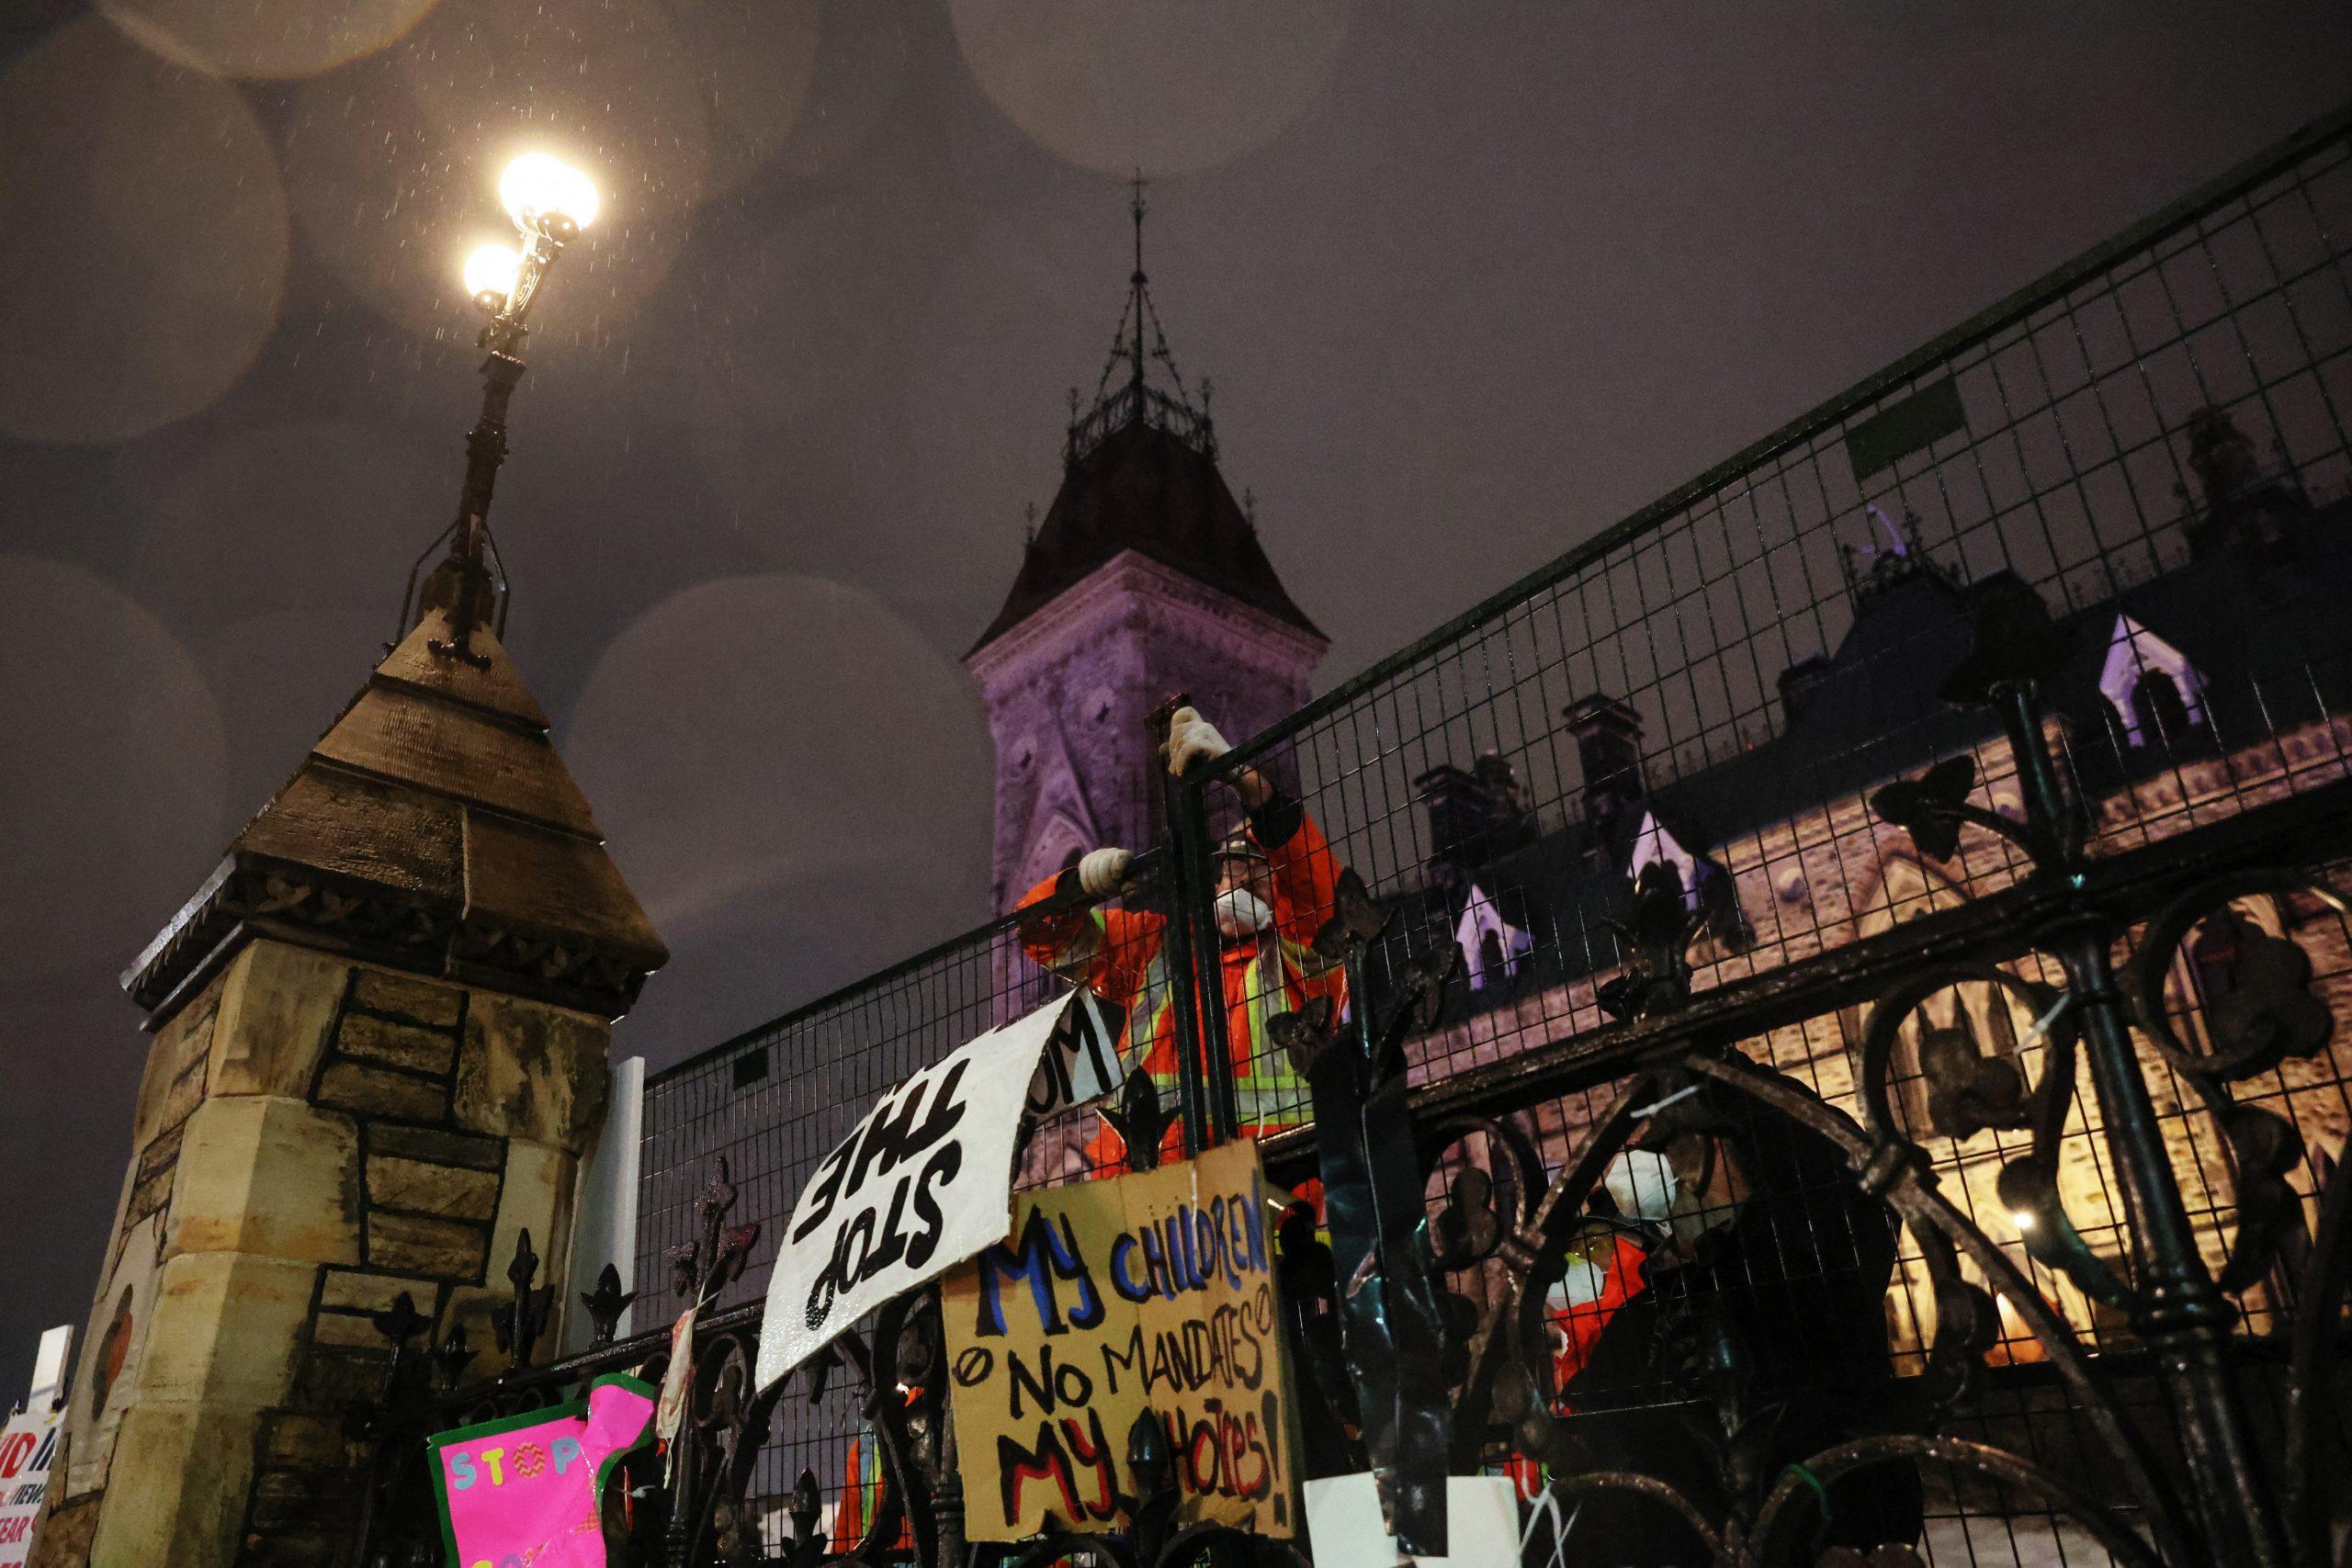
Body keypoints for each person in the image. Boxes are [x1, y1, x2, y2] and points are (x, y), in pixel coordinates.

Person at [1013, 705, 1347, 1164]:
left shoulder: (1304, 961)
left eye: (1260, 871)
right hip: (1140, 1192)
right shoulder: (1160, 947)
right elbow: (1044, 936)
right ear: (1215, 882)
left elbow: (1318, 890)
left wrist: (1247, 782)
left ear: (1283, 888)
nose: (1241, 881)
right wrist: (1077, 887)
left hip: (1265, 1186)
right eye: (1231, 868)